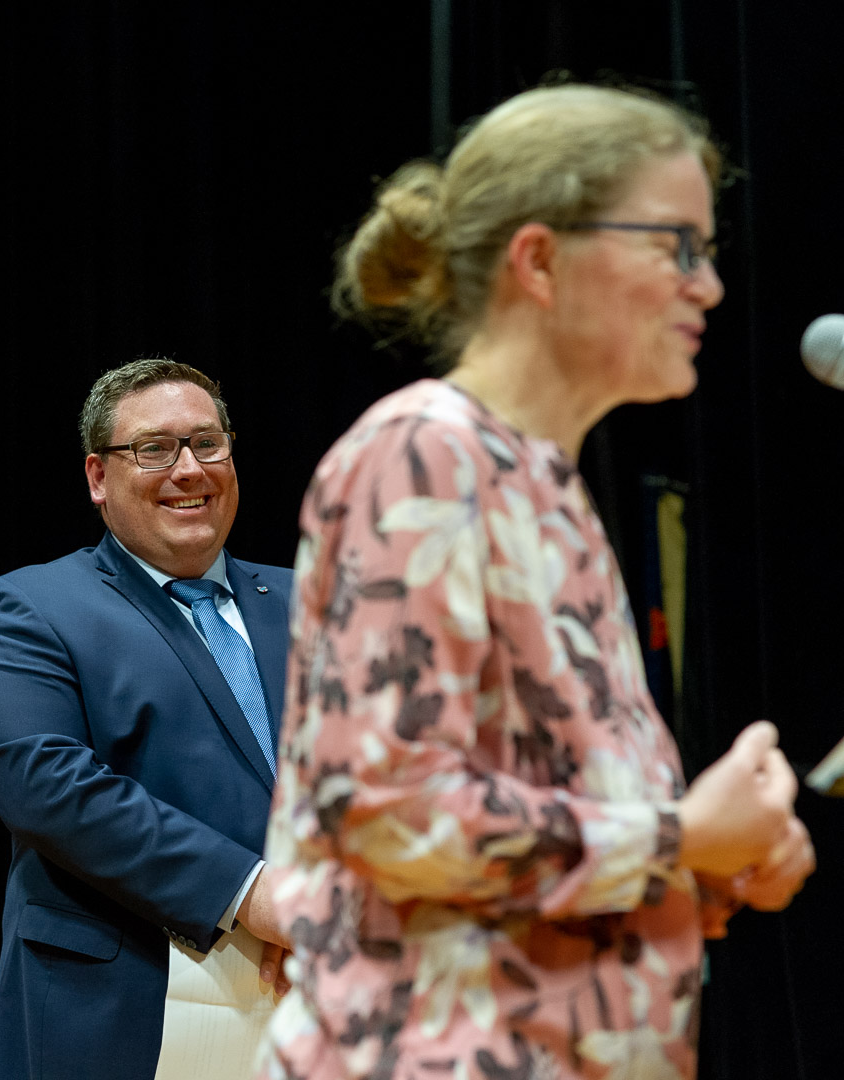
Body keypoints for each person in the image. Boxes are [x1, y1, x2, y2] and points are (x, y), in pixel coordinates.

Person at [259, 85, 814, 1079]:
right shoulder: (421, 454)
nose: (708, 286)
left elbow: (506, 864)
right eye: (677, 246)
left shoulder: (546, 486)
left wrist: (711, 865)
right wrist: (677, 835)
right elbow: (386, 808)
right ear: (540, 259)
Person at [0, 358, 295, 1080]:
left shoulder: (316, 604)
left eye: (208, 443)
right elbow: (49, 788)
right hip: (118, 1014)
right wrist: (251, 893)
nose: (189, 469)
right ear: (98, 476)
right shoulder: (30, 607)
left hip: (319, 1000)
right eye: (154, 449)